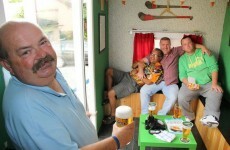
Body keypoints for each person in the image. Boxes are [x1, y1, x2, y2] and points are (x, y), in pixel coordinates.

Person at [0, 21, 134, 150]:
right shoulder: (27, 109)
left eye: (43, 42)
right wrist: (117, 140)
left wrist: (77, 115)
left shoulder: (49, 72)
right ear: (7, 65)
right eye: (26, 52)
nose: (42, 55)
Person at [140, 37, 211, 115]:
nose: (165, 46)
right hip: (156, 82)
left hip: (171, 83)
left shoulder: (176, 51)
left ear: (170, 45)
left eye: (167, 44)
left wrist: (203, 47)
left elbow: (189, 45)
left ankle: (161, 115)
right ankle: (145, 114)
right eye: (163, 44)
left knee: (173, 97)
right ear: (160, 45)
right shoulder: (155, 54)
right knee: (143, 91)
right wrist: (140, 72)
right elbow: (141, 62)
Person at [103, 48, 164, 124]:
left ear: (160, 58)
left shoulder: (158, 69)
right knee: (109, 71)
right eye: (151, 54)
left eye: (155, 55)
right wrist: (139, 64)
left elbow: (149, 82)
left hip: (133, 83)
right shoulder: (148, 63)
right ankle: (110, 98)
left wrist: (141, 72)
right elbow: (133, 65)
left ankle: (112, 115)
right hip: (127, 75)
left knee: (110, 93)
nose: (151, 56)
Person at [178, 36, 223, 127]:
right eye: (185, 44)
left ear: (193, 44)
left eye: (190, 43)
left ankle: (210, 117)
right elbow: (182, 75)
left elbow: (214, 67)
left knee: (217, 92)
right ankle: (189, 117)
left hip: (208, 83)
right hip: (192, 84)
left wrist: (214, 84)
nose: (188, 45)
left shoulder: (205, 52)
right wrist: (188, 83)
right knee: (181, 97)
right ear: (182, 47)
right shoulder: (182, 59)